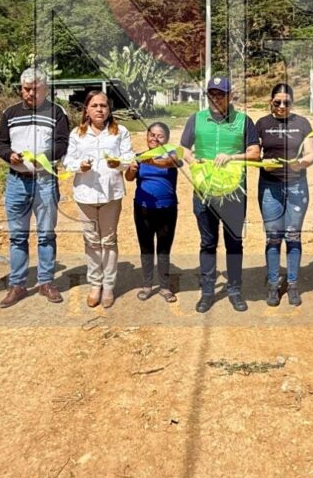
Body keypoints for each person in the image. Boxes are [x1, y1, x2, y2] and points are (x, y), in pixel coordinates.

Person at [178, 76, 261, 313]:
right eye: (212, 94)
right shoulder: (196, 119)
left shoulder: (243, 121)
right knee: (207, 243)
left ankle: (234, 290)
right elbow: (183, 147)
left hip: (234, 194)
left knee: (234, 242)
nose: (215, 99)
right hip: (204, 193)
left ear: (229, 96)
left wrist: (233, 157)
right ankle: (207, 292)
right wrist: (190, 158)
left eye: (220, 94)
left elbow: (255, 153)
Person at [0, 68, 72, 307]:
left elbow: (62, 143)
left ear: (45, 89)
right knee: (17, 236)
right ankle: (17, 284)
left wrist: (45, 156)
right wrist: (9, 155)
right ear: (21, 89)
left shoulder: (57, 113)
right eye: (26, 89)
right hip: (17, 182)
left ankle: (46, 282)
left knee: (46, 234)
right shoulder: (10, 113)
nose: (30, 93)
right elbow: (0, 142)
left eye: (35, 89)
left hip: (45, 181)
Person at [66, 90, 137, 309]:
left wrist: (120, 164)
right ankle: (94, 284)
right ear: (86, 109)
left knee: (108, 240)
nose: (99, 109)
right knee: (91, 241)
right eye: (94, 105)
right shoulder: (77, 134)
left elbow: (129, 157)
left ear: (109, 109)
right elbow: (68, 161)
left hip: (111, 194)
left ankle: (108, 286)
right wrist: (80, 166)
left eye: (103, 106)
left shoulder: (120, 132)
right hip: (85, 195)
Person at [254, 82, 313, 307]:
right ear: (271, 102)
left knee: (293, 236)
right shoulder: (262, 124)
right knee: (273, 237)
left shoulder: (302, 123)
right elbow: (253, 153)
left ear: (292, 103)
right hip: (270, 187)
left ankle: (293, 284)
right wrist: (262, 163)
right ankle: (272, 284)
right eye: (277, 102)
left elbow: (311, 153)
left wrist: (302, 163)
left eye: (286, 102)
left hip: (297, 186)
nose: (281, 106)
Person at [133, 121, 179, 302]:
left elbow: (170, 162)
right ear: (146, 136)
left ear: (167, 139)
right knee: (146, 247)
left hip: (167, 208)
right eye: (152, 134)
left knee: (164, 248)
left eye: (160, 136)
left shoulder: (173, 154)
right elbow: (129, 178)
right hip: (142, 208)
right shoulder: (139, 156)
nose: (155, 138)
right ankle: (146, 285)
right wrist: (131, 168)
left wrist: (151, 160)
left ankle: (165, 287)